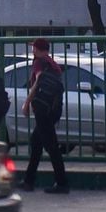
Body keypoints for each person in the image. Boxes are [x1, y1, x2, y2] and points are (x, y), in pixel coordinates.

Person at [20, 38, 69, 194]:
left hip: (43, 110)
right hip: (53, 109)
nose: (32, 50)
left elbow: (39, 80)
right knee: (36, 142)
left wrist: (27, 102)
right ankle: (29, 180)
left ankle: (61, 183)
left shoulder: (39, 62)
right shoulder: (53, 64)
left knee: (51, 146)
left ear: (39, 49)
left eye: (34, 48)